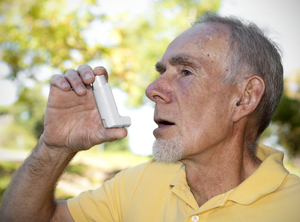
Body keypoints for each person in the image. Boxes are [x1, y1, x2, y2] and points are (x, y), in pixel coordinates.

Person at [1, 13, 300, 222]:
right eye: (161, 72)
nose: (152, 90)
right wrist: (53, 148)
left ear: (245, 98)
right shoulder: (136, 184)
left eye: (185, 72)